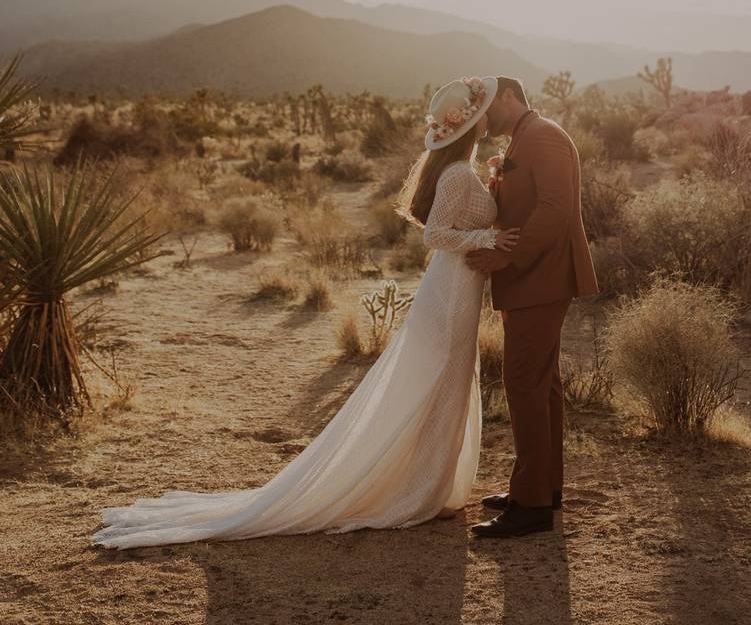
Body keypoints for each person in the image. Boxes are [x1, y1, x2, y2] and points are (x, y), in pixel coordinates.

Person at [90, 76, 519, 549]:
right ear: (471, 125)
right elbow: (435, 235)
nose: (487, 122)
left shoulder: (462, 169)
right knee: (443, 385)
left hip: (454, 288)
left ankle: (427, 482)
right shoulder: (458, 174)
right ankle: (421, 489)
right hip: (452, 292)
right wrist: (488, 238)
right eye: (480, 116)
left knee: (445, 386)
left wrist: (495, 186)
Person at [466, 76, 599, 538]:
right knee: (541, 386)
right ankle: (544, 487)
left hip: (542, 276)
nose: (482, 117)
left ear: (507, 97)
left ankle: (531, 504)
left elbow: (555, 209)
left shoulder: (543, 136)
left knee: (523, 383)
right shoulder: (525, 135)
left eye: (486, 105)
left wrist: (507, 255)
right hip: (532, 278)